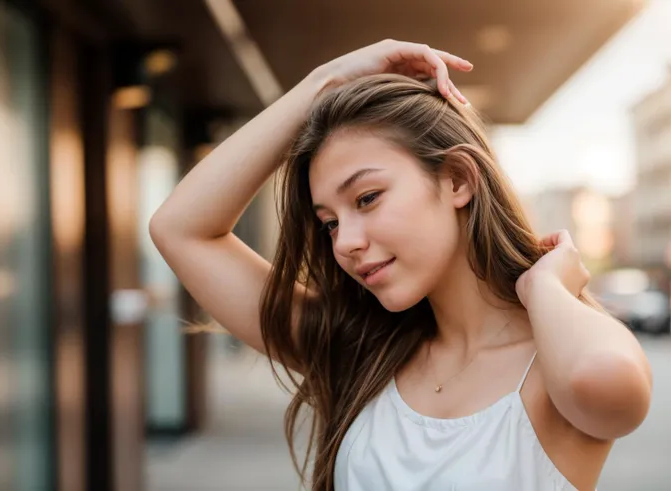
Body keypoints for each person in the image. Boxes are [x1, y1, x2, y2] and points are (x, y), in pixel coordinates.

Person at [149, 40, 652, 491]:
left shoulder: (557, 359)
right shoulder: (360, 351)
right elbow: (180, 229)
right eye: (329, 223)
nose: (344, 242)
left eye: (366, 198)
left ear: (458, 179)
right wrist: (325, 80)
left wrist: (544, 287)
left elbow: (606, 387)